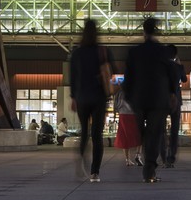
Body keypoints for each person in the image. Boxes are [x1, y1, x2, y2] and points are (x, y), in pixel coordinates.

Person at [123, 16, 177, 183]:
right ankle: (149, 171)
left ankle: (147, 161)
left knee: (144, 133)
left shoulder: (134, 52)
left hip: (139, 99)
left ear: (143, 31)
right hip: (158, 99)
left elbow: (128, 78)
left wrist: (130, 97)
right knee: (154, 133)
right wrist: (172, 94)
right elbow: (172, 75)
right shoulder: (163, 51)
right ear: (156, 31)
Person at [67, 18, 112, 182]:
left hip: (82, 98)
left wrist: (73, 97)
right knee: (97, 135)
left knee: (84, 132)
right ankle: (95, 172)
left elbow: (72, 77)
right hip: (99, 97)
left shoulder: (77, 53)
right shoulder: (103, 51)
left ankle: (81, 160)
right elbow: (111, 72)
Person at [163, 44, 185, 167]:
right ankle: (171, 156)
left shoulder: (161, 67)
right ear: (175, 55)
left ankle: (163, 154)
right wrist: (180, 65)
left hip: (164, 100)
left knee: (162, 129)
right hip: (176, 100)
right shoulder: (178, 66)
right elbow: (184, 79)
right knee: (174, 129)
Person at [113, 91, 141, 166]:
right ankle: (138, 155)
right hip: (134, 113)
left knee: (124, 136)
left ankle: (127, 160)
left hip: (123, 114)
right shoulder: (135, 87)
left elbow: (115, 102)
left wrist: (116, 113)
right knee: (139, 134)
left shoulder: (120, 89)